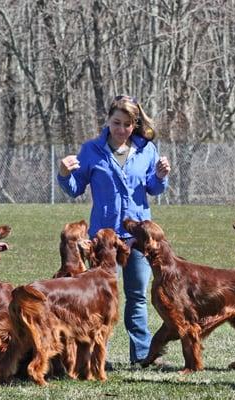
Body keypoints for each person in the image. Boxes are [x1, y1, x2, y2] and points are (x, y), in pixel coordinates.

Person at [56, 94, 171, 365]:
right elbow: (75, 189)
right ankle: (94, 355)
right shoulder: (91, 151)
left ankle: (142, 355)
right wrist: (63, 173)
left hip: (137, 239)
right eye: (116, 123)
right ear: (107, 121)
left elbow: (152, 189)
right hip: (104, 240)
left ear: (135, 125)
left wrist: (160, 177)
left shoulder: (146, 150)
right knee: (96, 298)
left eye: (128, 124)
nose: (121, 129)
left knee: (137, 296)